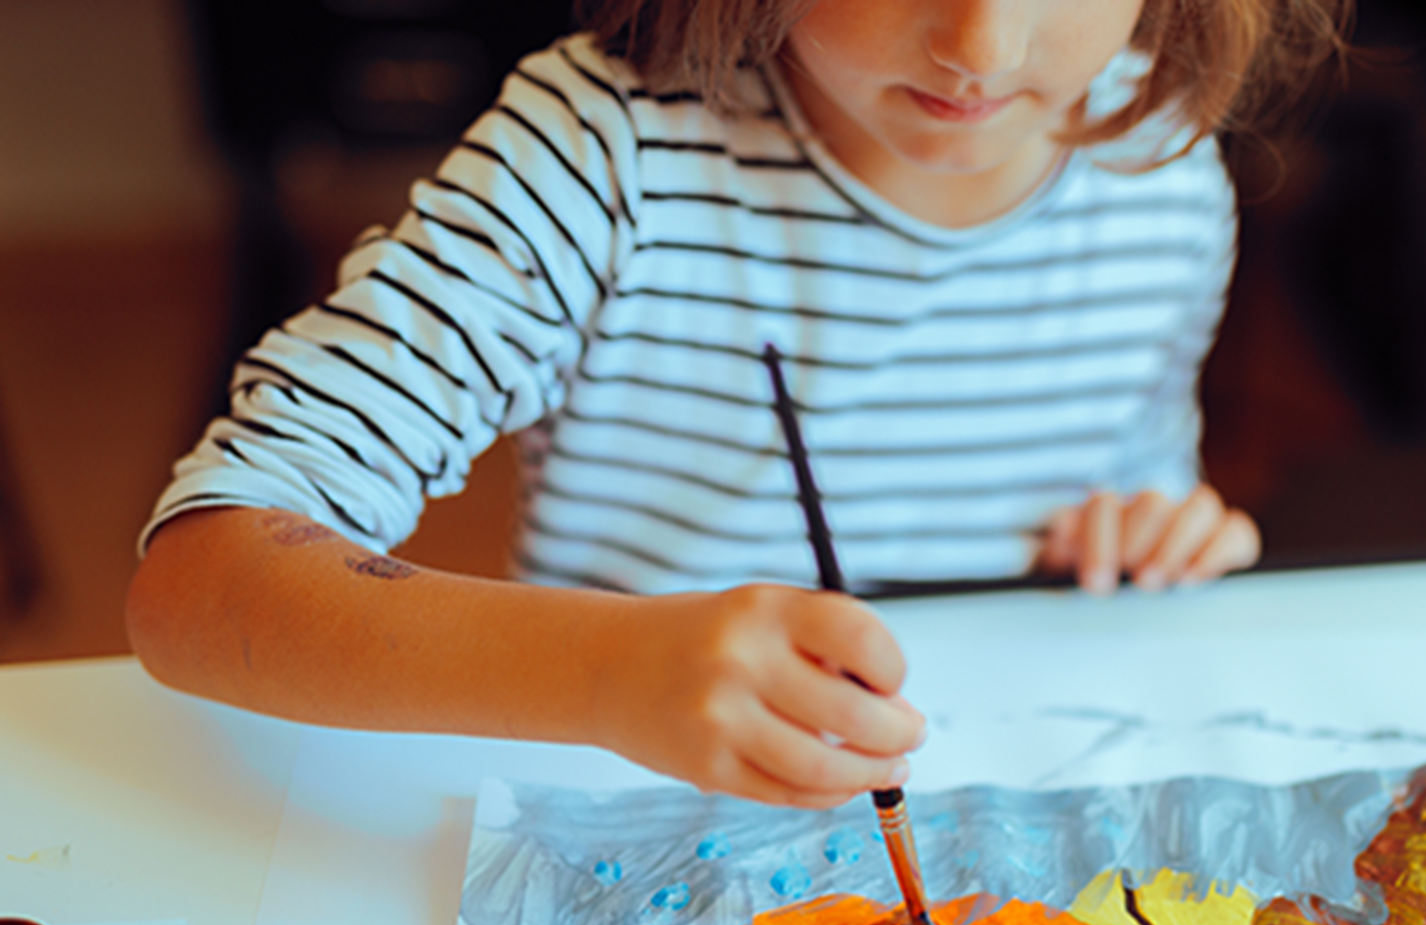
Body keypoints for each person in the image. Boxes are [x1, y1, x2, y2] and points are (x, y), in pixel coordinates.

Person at [127, 0, 1345, 809]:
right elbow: (200, 583)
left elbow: (1125, 466)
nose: (981, 44)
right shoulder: (601, 155)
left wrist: (1151, 524)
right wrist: (607, 672)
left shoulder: (1163, 176)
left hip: (996, 812)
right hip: (637, 819)